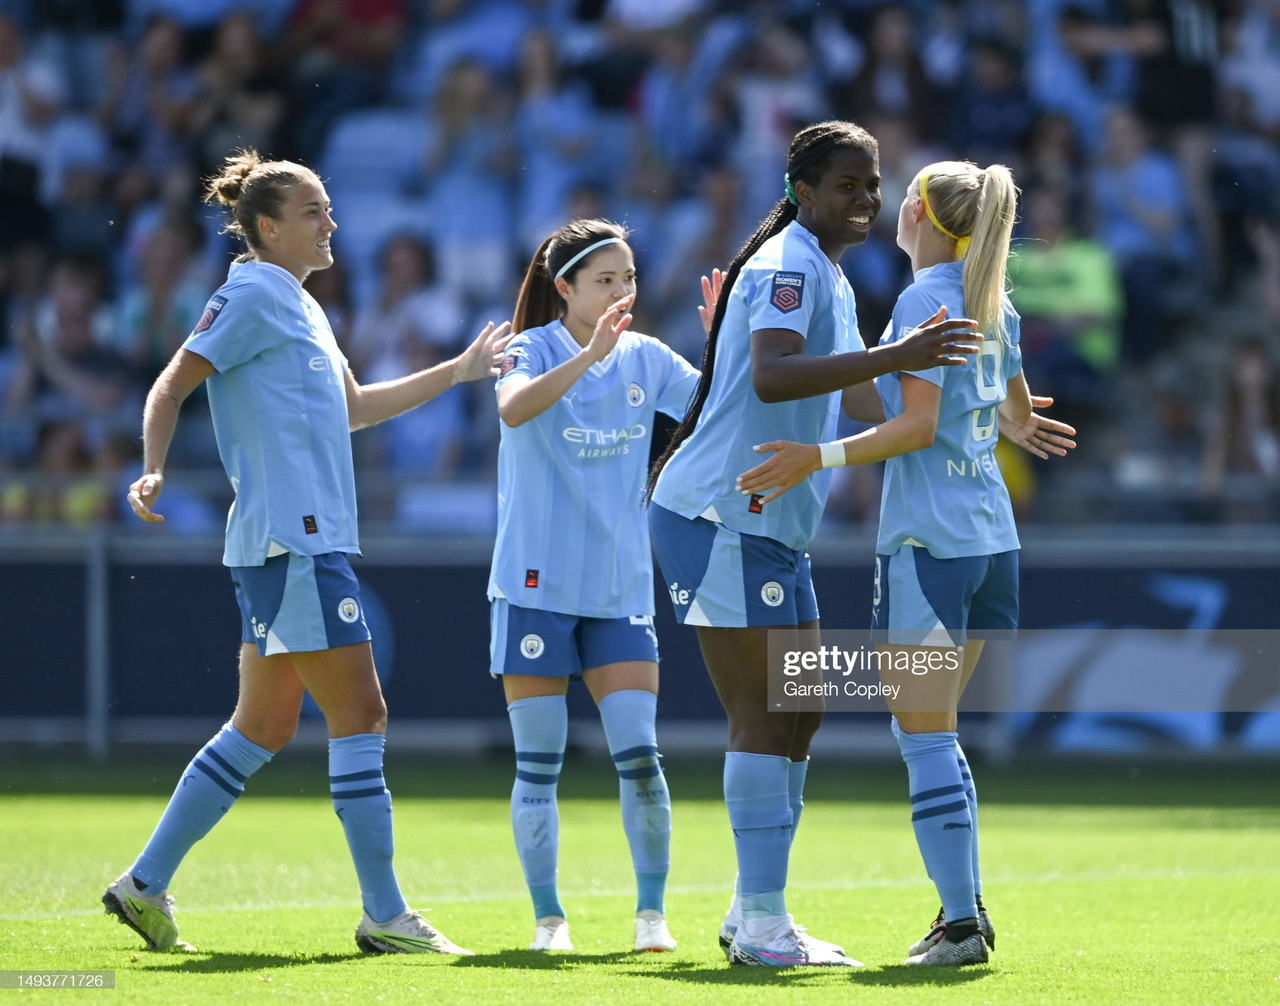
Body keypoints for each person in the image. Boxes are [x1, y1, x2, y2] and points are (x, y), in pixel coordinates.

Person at [102, 149, 512, 956]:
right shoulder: (253, 290)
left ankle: (143, 885)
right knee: (361, 714)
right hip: (295, 542)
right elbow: (172, 382)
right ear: (268, 228)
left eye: (328, 207)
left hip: (287, 544)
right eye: (315, 211)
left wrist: (459, 371)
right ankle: (387, 914)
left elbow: (355, 408)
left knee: (260, 727)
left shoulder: (298, 302)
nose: (332, 222)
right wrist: (150, 468)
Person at [644, 119, 984, 968]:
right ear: (802, 189)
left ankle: (750, 912)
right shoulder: (793, 262)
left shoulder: (819, 268)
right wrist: (897, 352)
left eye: (874, 185)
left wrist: (945, 387)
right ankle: (761, 924)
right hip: (722, 515)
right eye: (847, 185)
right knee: (763, 713)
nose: (866, 199)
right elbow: (772, 373)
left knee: (803, 708)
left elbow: (865, 403)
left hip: (768, 525)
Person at [736, 159, 1078, 966]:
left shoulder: (927, 297)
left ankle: (962, 925)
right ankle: (961, 913)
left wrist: (813, 459)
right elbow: (1013, 410)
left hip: (931, 540)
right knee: (937, 733)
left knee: (923, 735)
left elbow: (914, 428)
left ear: (921, 211)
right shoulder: (996, 296)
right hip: (992, 540)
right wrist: (1014, 426)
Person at [490, 218, 701, 953]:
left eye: (630, 277)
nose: (622, 292)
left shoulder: (648, 356)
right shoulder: (532, 348)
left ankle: (652, 917)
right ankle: (550, 920)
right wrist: (589, 358)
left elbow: (718, 411)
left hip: (618, 588)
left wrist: (729, 347)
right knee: (539, 766)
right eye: (606, 279)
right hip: (534, 586)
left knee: (640, 756)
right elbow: (514, 408)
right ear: (566, 289)